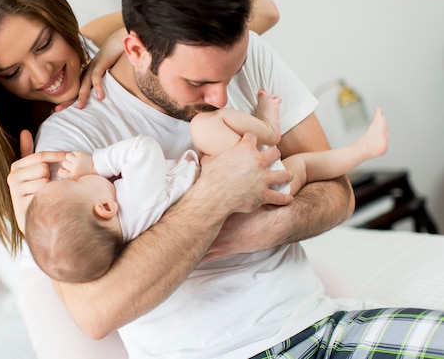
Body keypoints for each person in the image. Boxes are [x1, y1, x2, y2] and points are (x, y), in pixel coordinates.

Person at [8, 0, 444, 358]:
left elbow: (338, 194)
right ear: (136, 50)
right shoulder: (68, 147)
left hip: (321, 324)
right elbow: (95, 313)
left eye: (230, 73)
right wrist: (215, 198)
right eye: (197, 83)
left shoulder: (242, 48)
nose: (220, 98)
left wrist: (260, 229)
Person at [0, 0, 282, 359]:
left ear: (59, 15)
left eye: (45, 43)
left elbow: (263, 10)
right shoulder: (31, 152)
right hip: (64, 264)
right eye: (12, 72)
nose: (40, 75)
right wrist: (27, 217)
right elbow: (94, 311)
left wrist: (123, 42)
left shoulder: (99, 45)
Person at [26, 104, 389, 284]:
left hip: (227, 187)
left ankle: (270, 130)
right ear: (105, 208)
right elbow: (143, 150)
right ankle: (361, 150)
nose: (75, 177)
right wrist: (94, 162)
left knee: (295, 163)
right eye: (72, 184)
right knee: (301, 165)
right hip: (253, 197)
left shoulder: (130, 232)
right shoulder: (136, 199)